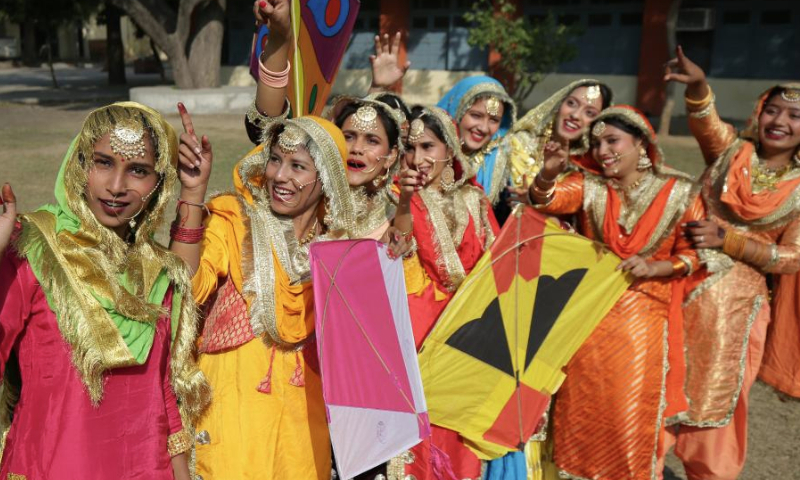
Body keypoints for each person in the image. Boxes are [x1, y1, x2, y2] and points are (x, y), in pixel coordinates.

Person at [0, 102, 210, 479]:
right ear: (80, 164)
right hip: (49, 466)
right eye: (103, 163)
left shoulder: (158, 271)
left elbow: (163, 397)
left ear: (159, 185)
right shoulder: (33, 249)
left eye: (138, 171)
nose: (116, 186)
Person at [529, 106, 704, 480]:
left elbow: (696, 255)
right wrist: (548, 172)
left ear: (641, 143)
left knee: (627, 412)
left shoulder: (680, 192)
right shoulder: (591, 188)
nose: (603, 150)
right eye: (597, 143)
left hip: (644, 320)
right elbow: (545, 200)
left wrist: (657, 267)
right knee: (580, 408)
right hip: (589, 319)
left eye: (613, 141)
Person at [663, 46, 800, 480]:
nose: (780, 122)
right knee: (653, 384)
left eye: (794, 116)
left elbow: (793, 258)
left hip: (736, 313)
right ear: (759, 113)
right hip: (674, 285)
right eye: (773, 111)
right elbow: (706, 123)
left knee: (715, 401)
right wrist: (701, 86)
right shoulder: (730, 153)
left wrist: (731, 241)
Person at [391, 105, 499, 480]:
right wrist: (404, 200)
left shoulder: (475, 200)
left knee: (459, 439)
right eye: (410, 147)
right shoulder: (398, 195)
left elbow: (496, 264)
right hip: (420, 332)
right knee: (420, 440)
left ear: (449, 150)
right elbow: (398, 243)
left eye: (427, 147)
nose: (417, 159)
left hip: (470, 334)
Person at [502, 79, 612, 204]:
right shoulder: (516, 143)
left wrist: (536, 198)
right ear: (558, 104)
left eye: (589, 113)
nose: (575, 115)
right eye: (571, 103)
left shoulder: (588, 172)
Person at [436, 76, 517, 207]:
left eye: (494, 120)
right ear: (457, 111)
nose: (484, 128)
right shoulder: (427, 152)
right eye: (476, 116)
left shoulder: (498, 165)